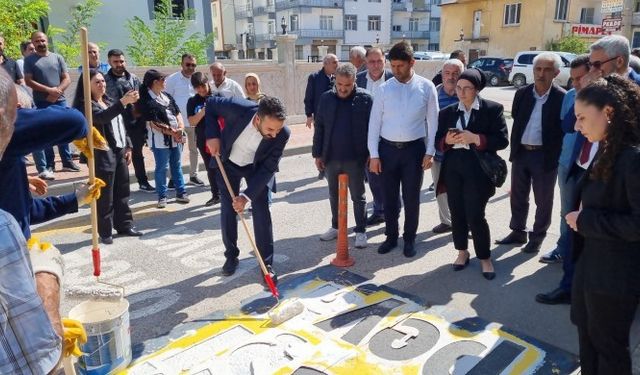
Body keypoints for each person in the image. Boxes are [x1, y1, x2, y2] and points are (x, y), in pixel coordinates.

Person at [0, 69, 102, 373]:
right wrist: (47, 278)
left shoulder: (10, 163)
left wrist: (75, 200)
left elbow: (27, 212)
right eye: (22, 117)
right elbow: (71, 120)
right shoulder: (4, 228)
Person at [566, 74, 640, 375]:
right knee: (588, 339)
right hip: (592, 267)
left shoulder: (633, 159)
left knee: (608, 348)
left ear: (608, 112)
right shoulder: (608, 148)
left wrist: (586, 220)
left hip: (614, 276)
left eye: (582, 117)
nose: (577, 126)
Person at [204, 96, 290, 279]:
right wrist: (212, 136)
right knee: (228, 209)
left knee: (261, 209)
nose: (274, 135)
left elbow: (268, 168)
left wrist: (246, 197)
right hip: (227, 162)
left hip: (256, 168)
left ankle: (266, 263)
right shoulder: (237, 108)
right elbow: (210, 104)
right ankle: (231, 256)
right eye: (270, 129)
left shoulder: (282, 134)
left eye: (278, 129)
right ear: (258, 118)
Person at [435, 68, 508, 280]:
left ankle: (485, 257)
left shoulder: (492, 109)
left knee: (476, 214)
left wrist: (476, 138)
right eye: (458, 88)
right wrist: (447, 141)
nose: (462, 92)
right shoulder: (447, 112)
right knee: (457, 212)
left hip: (478, 168)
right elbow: (437, 140)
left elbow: (502, 140)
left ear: (477, 89)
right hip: (454, 167)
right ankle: (462, 252)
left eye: (467, 88)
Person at [368, 41, 439, 258]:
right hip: (387, 151)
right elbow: (374, 124)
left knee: (411, 198)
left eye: (400, 66)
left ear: (412, 62)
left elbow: (433, 122)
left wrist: (430, 151)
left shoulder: (426, 87)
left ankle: (409, 239)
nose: (396, 71)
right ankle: (391, 237)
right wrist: (374, 154)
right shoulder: (384, 89)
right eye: (393, 66)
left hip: (414, 152)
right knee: (389, 198)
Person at [495, 53, 566, 254]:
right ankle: (518, 231)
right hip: (522, 153)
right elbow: (517, 117)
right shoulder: (523, 93)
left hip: (545, 156)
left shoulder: (562, 97)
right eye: (538, 69)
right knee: (518, 196)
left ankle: (537, 237)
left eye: (547, 70)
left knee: (543, 199)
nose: (541, 74)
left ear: (556, 73)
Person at [536, 55, 590, 304]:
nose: (576, 83)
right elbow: (567, 127)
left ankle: (578, 275)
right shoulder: (571, 96)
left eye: (581, 78)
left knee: (585, 222)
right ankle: (564, 253)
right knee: (567, 214)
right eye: (573, 78)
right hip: (568, 164)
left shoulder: (609, 99)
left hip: (592, 170)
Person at [73, 69, 143, 244]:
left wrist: (128, 146)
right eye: (97, 82)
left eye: (103, 81)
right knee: (105, 195)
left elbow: (121, 124)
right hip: (102, 154)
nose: (102, 85)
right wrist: (123, 102)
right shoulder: (86, 105)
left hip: (119, 151)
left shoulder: (108, 100)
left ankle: (125, 225)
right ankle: (105, 231)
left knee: (123, 191)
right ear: (86, 85)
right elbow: (102, 118)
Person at [313, 63, 373, 248]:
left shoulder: (366, 98)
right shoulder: (326, 98)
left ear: (354, 81)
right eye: (339, 84)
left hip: (356, 158)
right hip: (331, 156)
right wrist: (317, 154)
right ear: (335, 81)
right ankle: (336, 227)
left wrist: (372, 153)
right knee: (333, 195)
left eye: (347, 85)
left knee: (358, 196)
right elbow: (320, 127)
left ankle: (361, 231)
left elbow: (373, 128)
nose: (343, 89)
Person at [24, 31, 79, 177]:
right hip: (42, 101)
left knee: (63, 131)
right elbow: (28, 81)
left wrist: (58, 91)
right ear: (33, 43)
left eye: (42, 40)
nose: (40, 43)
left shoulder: (57, 57)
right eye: (37, 41)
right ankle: (49, 164)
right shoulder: (29, 61)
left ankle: (67, 161)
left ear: (47, 41)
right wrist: (49, 91)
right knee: (47, 133)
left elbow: (66, 78)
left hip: (60, 100)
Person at [137, 69, 190, 208]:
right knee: (162, 167)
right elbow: (153, 122)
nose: (165, 82)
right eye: (163, 80)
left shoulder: (166, 96)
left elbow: (177, 112)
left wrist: (181, 128)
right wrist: (173, 132)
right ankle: (162, 196)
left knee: (176, 165)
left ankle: (181, 192)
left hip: (176, 137)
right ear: (155, 82)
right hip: (160, 140)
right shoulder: (146, 100)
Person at [104, 49, 154, 192]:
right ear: (109, 62)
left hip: (135, 123)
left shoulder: (133, 78)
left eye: (121, 61)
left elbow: (142, 99)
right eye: (116, 62)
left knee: (137, 154)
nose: (119, 64)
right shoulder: (104, 81)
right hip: (115, 124)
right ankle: (118, 187)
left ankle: (143, 182)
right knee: (118, 156)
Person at [355, 47, 395, 227]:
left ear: (384, 61)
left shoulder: (394, 79)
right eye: (372, 61)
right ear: (366, 62)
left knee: (390, 179)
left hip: (390, 137)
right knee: (372, 178)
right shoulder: (357, 80)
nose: (376, 65)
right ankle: (380, 211)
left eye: (379, 61)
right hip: (365, 138)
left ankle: (392, 213)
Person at [431, 58, 464, 234]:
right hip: (439, 153)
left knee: (463, 192)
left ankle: (465, 223)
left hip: (463, 155)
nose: (451, 77)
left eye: (455, 73)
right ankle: (446, 221)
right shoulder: (434, 94)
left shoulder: (468, 93)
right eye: (447, 73)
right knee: (440, 190)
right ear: (442, 75)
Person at [166, 53, 204, 187]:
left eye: (193, 65)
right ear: (182, 64)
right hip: (178, 124)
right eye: (188, 64)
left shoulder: (198, 79)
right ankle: (173, 178)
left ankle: (193, 176)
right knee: (176, 152)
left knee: (194, 150)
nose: (190, 67)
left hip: (194, 123)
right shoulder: (172, 79)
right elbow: (167, 100)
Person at [187, 72, 220, 207]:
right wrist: (204, 111)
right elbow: (192, 121)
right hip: (203, 139)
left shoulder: (218, 97)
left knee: (224, 166)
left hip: (219, 138)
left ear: (208, 83)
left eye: (203, 86)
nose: (201, 90)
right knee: (210, 167)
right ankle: (215, 195)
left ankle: (229, 193)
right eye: (197, 88)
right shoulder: (192, 101)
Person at [304, 54, 338, 129]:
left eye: (337, 62)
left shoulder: (338, 78)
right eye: (334, 62)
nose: (337, 65)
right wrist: (309, 115)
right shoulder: (314, 77)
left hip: (335, 117)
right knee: (320, 139)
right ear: (326, 64)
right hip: (320, 117)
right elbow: (309, 97)